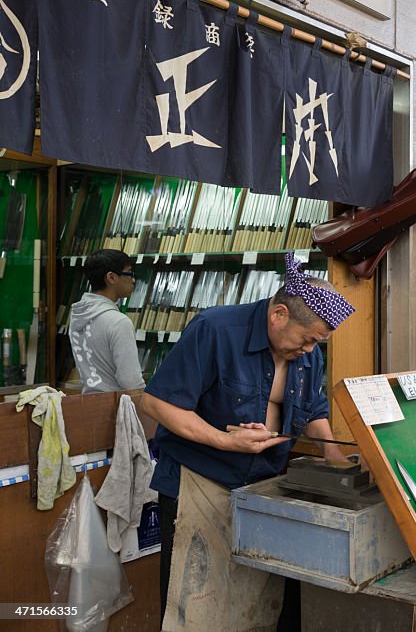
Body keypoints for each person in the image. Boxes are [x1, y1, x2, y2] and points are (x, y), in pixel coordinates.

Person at [140, 253, 355, 631]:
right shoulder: (216, 330)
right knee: (196, 607)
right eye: (307, 340)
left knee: (254, 605)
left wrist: (334, 455)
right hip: (200, 485)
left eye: (317, 343)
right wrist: (223, 440)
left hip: (263, 486)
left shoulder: (308, 353)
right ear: (279, 315)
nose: (309, 351)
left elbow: (315, 408)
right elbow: (157, 402)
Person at [69, 249, 146, 394]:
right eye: (129, 273)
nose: (133, 280)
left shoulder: (77, 316)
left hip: (88, 405)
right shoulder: (118, 322)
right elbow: (130, 380)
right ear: (111, 277)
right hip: (115, 408)